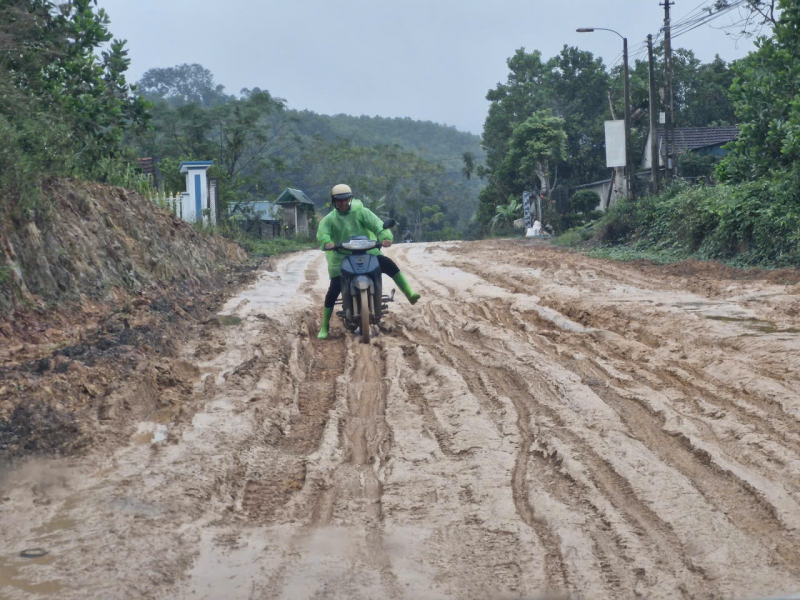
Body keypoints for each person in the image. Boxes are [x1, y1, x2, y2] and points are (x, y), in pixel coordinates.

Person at [316, 184, 421, 340]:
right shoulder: (329, 219)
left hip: (368, 251)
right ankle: (325, 326)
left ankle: (409, 293)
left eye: (345, 200)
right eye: (339, 200)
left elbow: (378, 225)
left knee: (388, 264)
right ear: (334, 201)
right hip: (341, 256)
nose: (343, 203)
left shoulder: (362, 212)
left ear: (350, 199)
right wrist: (327, 242)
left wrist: (386, 237)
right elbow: (323, 233)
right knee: (334, 288)